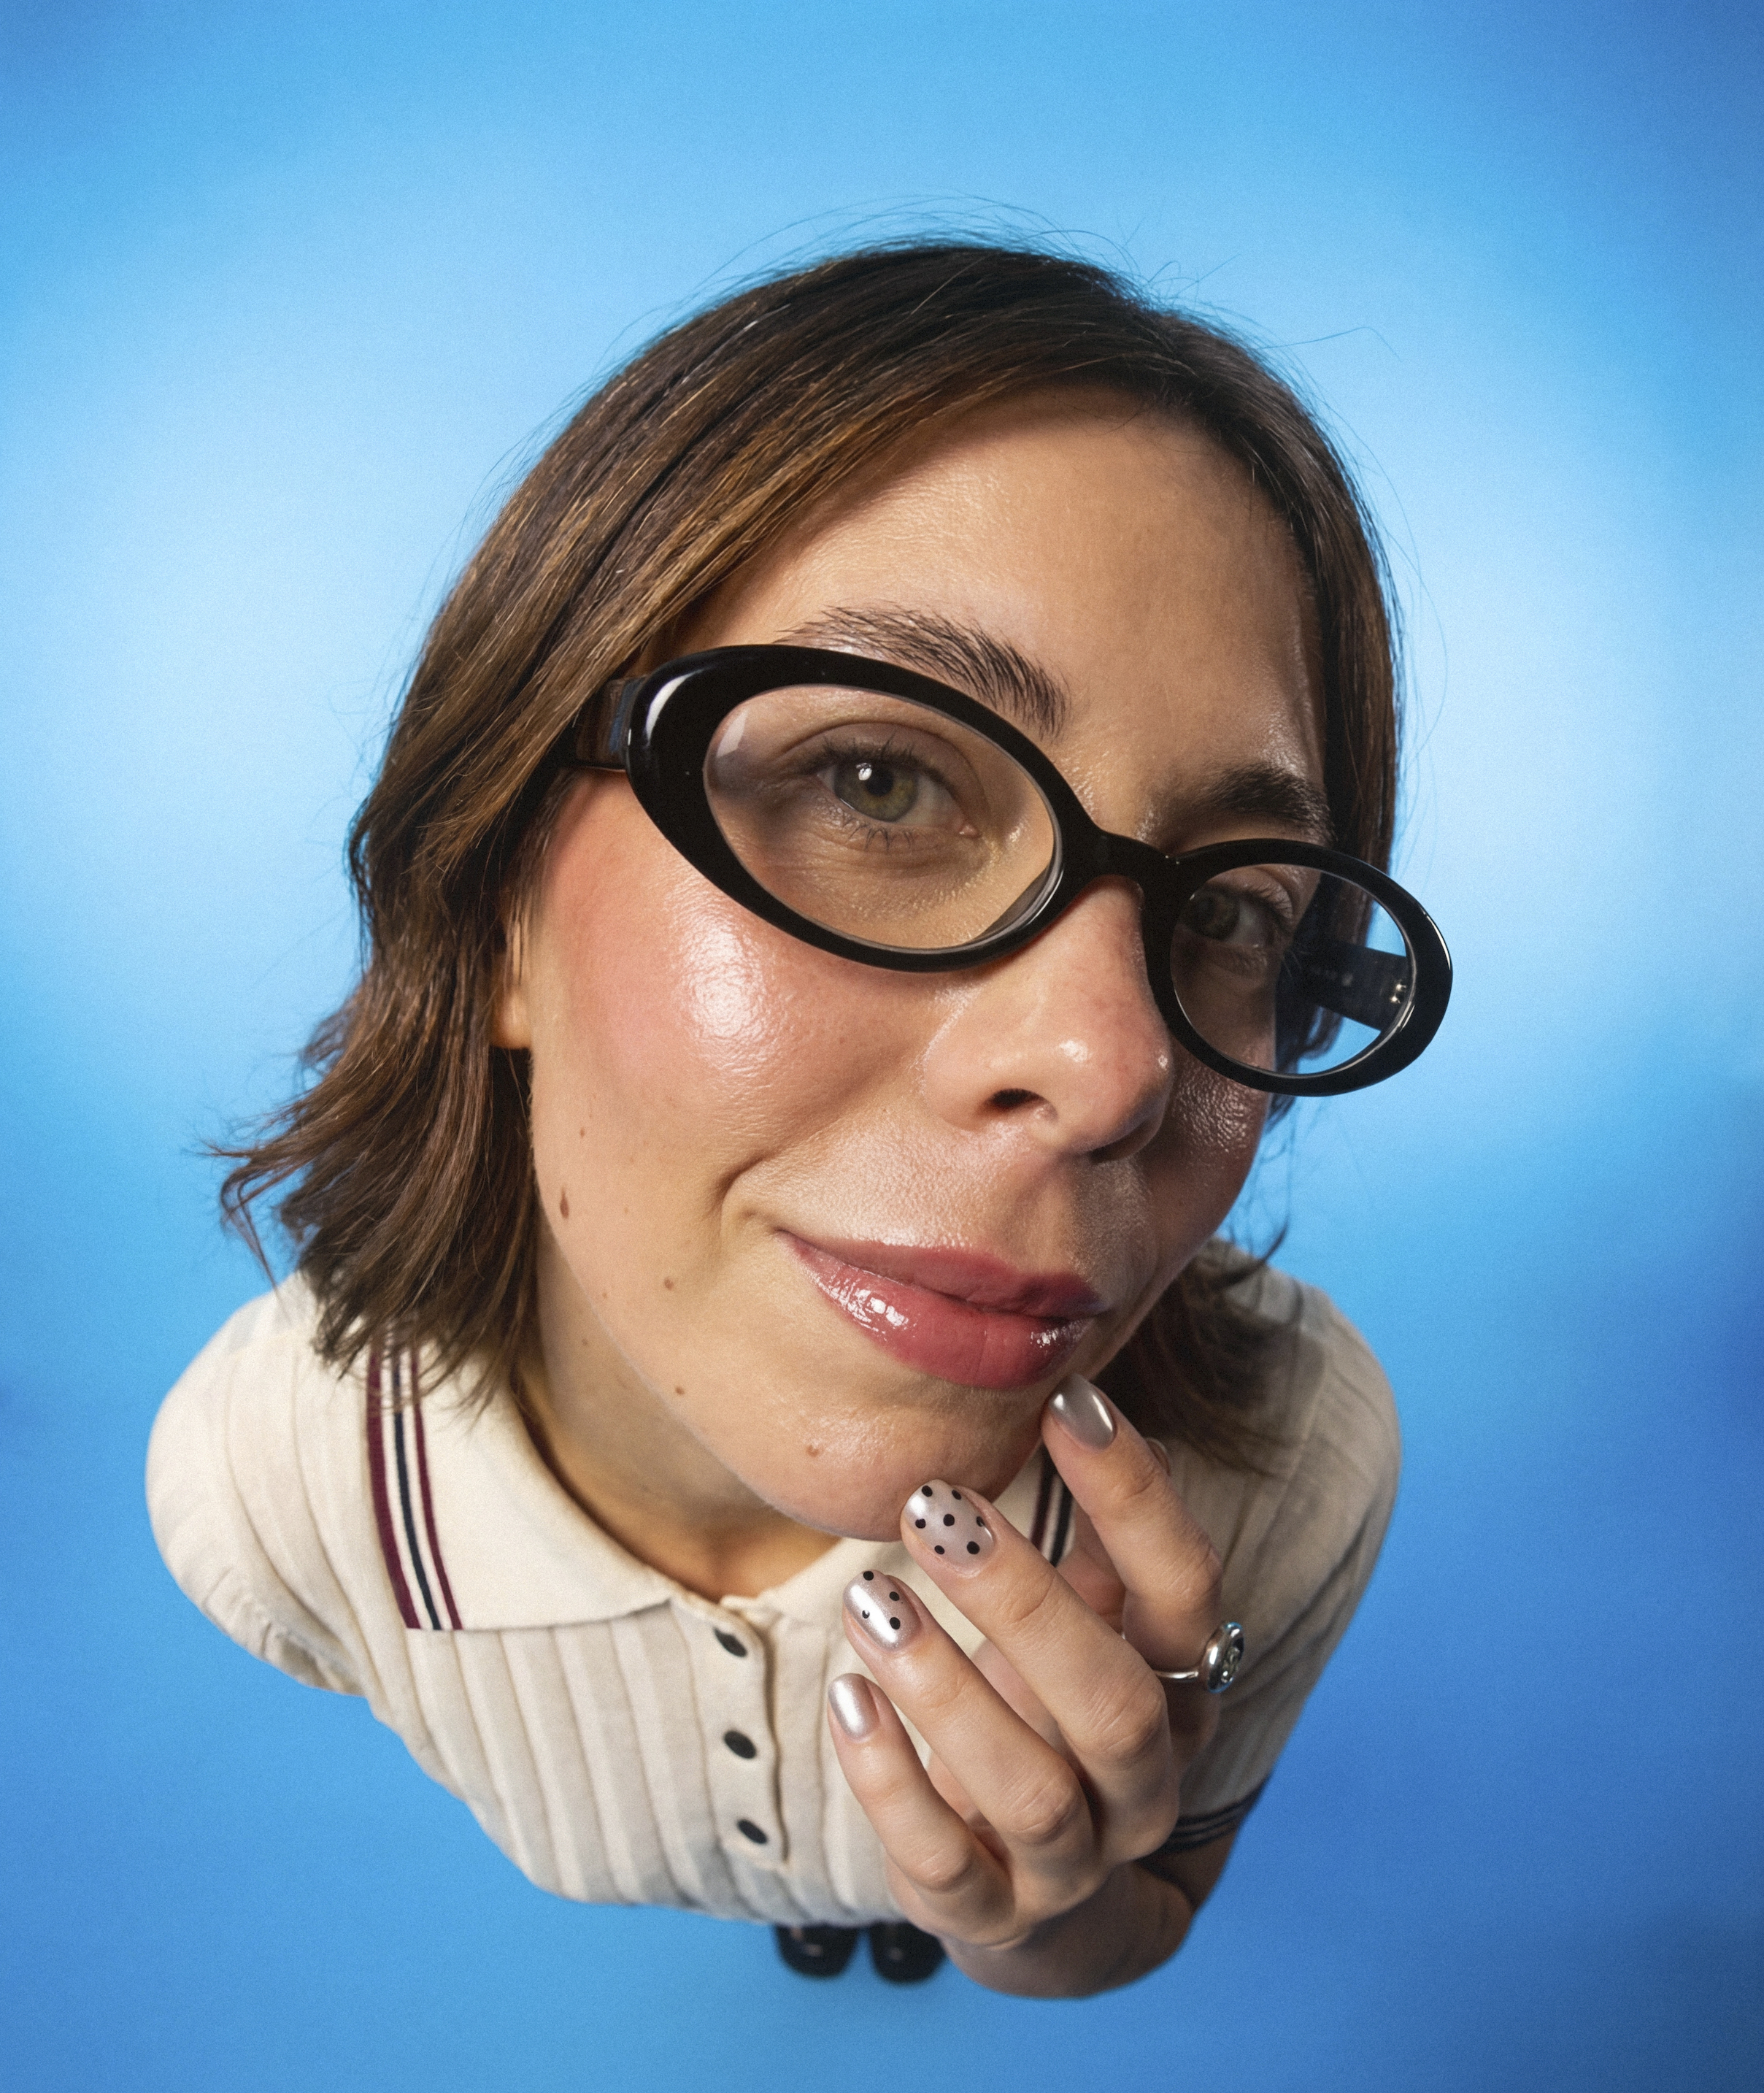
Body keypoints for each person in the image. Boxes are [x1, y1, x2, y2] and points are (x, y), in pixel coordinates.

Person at [147, 242, 1451, 1999]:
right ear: (499, 900)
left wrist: (1053, 1913)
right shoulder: (268, 1485)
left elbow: (1146, 1913)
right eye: (877, 784)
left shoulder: (1294, 1475)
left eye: (1229, 913)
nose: (1110, 1067)